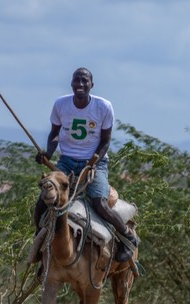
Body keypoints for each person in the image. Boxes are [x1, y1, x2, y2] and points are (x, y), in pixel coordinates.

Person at [35, 67, 139, 262]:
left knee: (99, 203)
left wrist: (94, 162)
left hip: (95, 162)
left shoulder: (103, 107)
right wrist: (47, 153)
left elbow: (106, 140)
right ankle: (40, 241)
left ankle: (128, 238)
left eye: (85, 81)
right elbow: (55, 133)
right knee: (44, 200)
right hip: (66, 161)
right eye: (77, 81)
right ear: (71, 83)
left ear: (92, 85)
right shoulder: (61, 104)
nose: (80, 85)